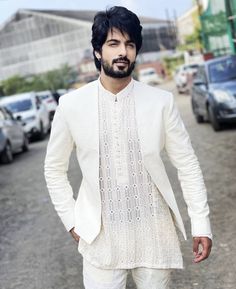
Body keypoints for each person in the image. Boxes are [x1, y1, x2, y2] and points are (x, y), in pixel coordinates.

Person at [44, 6, 212, 289]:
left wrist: (201, 223)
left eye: (129, 44)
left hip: (154, 234)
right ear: (98, 51)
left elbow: (187, 165)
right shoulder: (71, 105)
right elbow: (53, 168)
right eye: (113, 44)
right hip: (100, 239)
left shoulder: (161, 102)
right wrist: (72, 221)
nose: (123, 51)